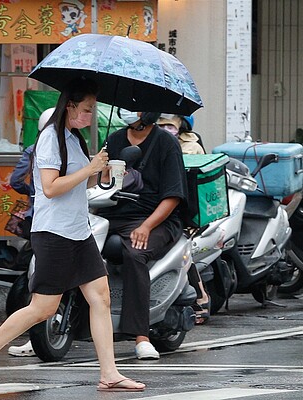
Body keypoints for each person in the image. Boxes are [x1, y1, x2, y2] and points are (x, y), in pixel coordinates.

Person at [0, 78, 145, 392]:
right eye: (86, 109)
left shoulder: (76, 139)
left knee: (100, 298)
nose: (90, 116)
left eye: (93, 109)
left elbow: (81, 186)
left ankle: (110, 373)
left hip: (78, 230)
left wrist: (101, 171)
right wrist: (88, 170)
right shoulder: (50, 138)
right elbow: (51, 187)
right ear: (69, 106)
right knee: (43, 308)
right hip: (54, 233)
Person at [100, 109, 188, 360]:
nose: (129, 112)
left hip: (157, 218)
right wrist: (102, 171)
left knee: (135, 252)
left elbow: (173, 196)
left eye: (136, 108)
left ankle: (141, 336)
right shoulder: (115, 139)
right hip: (114, 214)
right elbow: (100, 182)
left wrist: (147, 226)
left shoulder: (166, 143)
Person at [7, 108, 54, 358]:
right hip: (51, 221)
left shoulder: (32, 150)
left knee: (35, 271)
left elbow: (15, 181)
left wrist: (30, 191)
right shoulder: (64, 148)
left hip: (34, 216)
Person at [157, 114, 210, 324]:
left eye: (170, 125)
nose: (165, 128)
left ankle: (200, 296)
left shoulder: (191, 146)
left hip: (183, 207)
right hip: (156, 204)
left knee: (181, 251)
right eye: (161, 124)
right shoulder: (150, 140)